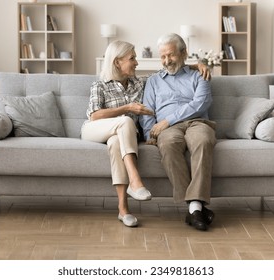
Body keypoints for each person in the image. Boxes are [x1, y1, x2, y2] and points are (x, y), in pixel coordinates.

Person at [139, 33, 216, 231]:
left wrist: (167, 120)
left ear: (184, 53)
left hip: (197, 122)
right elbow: (147, 109)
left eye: (171, 55)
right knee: (168, 144)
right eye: (163, 56)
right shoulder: (154, 81)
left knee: (203, 141)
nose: (166, 61)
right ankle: (195, 208)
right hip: (168, 130)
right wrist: (150, 133)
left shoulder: (200, 74)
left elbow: (201, 103)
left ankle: (194, 208)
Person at [81, 41, 154, 227]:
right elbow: (95, 115)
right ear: (117, 62)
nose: (136, 62)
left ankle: (123, 210)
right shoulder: (100, 85)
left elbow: (167, 71)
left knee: (115, 143)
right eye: (132, 58)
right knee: (126, 119)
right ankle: (135, 180)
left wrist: (197, 64)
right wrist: (128, 107)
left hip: (120, 135)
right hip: (94, 129)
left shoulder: (139, 83)